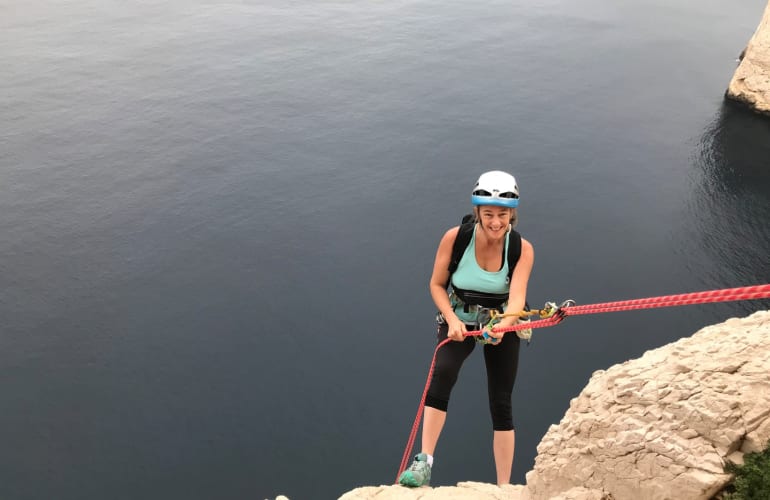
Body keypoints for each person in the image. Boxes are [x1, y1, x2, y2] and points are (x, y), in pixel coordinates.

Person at [398, 170, 534, 488]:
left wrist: (503, 326)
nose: (496, 222)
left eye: (502, 215)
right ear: (477, 213)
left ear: (512, 214)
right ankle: (424, 463)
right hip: (457, 318)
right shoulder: (456, 238)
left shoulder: (521, 249)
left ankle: (504, 488)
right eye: (489, 214)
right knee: (442, 374)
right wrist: (453, 319)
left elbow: (517, 298)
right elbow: (435, 285)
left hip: (501, 321)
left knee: (501, 399)